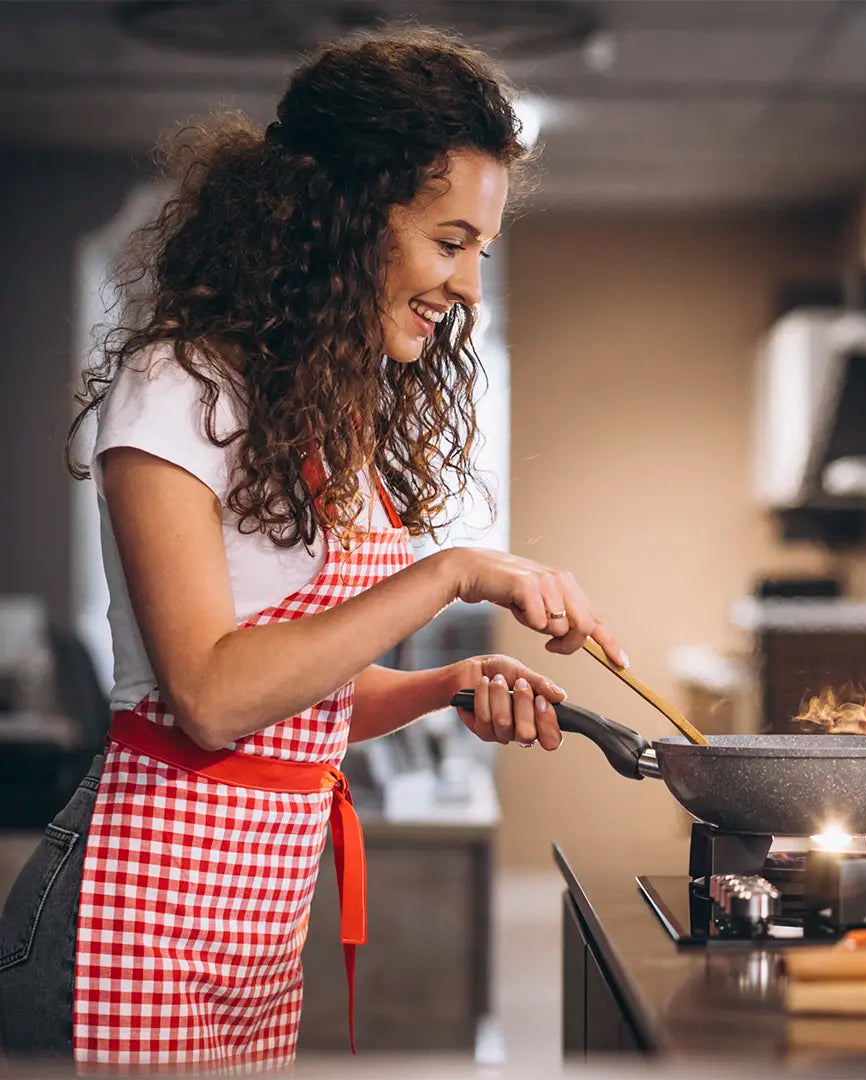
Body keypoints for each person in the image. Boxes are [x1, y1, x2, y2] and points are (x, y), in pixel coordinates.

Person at [0, 29, 625, 1072]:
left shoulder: (326, 413)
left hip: (254, 928)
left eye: (483, 250)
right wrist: (453, 571)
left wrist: (450, 685)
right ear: (342, 217)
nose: (468, 285)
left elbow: (301, 698)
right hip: (131, 910)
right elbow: (208, 693)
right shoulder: (180, 385)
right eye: (448, 240)